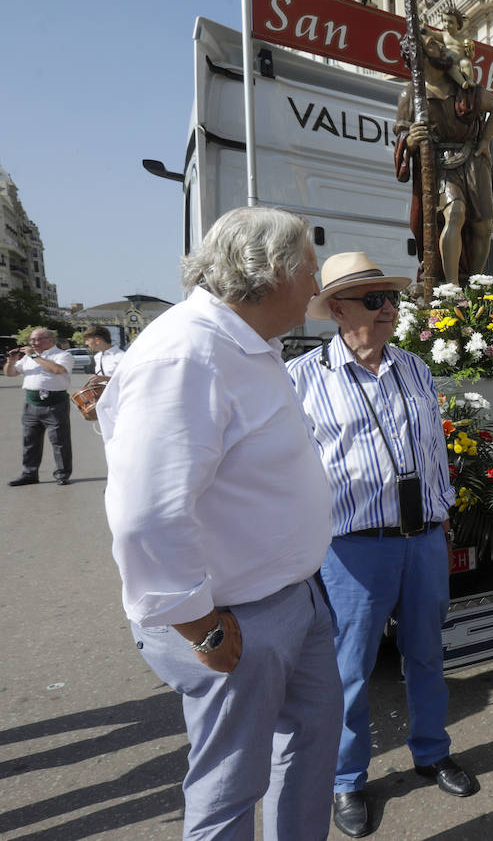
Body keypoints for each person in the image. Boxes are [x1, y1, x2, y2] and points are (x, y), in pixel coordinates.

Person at [100, 206, 343, 840]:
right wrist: (201, 627)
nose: (316, 288)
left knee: (312, 750)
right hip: (233, 619)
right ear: (273, 274)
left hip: (294, 598)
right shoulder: (187, 354)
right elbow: (146, 515)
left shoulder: (248, 344)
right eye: (310, 272)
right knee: (230, 789)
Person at [286, 253, 477, 838]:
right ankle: (345, 781)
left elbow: (434, 453)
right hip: (353, 548)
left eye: (391, 298)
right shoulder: (303, 378)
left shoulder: (415, 368)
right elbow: (287, 469)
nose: (391, 308)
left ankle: (430, 751)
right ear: (338, 310)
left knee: (426, 654)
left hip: (421, 541)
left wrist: (441, 514)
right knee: (350, 670)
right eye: (375, 299)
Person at [394, 28, 493, 283]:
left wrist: (484, 140)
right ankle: (451, 288)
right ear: (420, 56)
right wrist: (412, 138)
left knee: (484, 226)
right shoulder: (411, 95)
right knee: (454, 212)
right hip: (439, 163)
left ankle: (475, 281)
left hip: (472, 160)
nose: (442, 47)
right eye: (433, 45)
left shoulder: (465, 89)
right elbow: (402, 136)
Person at [5, 327, 74, 486]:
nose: (33, 343)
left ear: (50, 340)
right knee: (30, 441)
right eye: (31, 340)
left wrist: (34, 355)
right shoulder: (29, 358)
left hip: (55, 404)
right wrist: (11, 361)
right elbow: (11, 374)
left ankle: (62, 474)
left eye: (37, 340)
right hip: (31, 404)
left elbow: (57, 370)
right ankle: (29, 474)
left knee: (59, 441)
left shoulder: (63, 355)